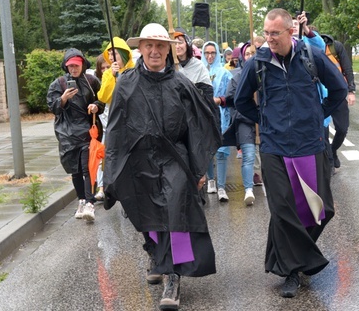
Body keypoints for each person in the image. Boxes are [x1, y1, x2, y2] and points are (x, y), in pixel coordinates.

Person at [102, 23, 221, 310]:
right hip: (138, 161)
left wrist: (198, 169)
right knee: (145, 212)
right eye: (149, 46)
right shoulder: (126, 84)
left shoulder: (182, 85)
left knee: (174, 211)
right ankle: (156, 255)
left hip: (174, 159)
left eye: (160, 46)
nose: (155, 51)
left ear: (168, 50)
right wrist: (111, 172)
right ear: (140, 49)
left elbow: (198, 127)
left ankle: (173, 277)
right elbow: (116, 131)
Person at [235, 8, 347, 298]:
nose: (268, 39)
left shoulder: (312, 57)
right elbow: (241, 101)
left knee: (321, 209)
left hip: (310, 143)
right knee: (283, 210)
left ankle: (284, 259)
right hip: (274, 146)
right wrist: (265, 120)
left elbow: (339, 88)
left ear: (290, 32)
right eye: (266, 33)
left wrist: (318, 115)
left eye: (274, 33)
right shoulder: (257, 62)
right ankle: (293, 270)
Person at [47, 49, 105, 222]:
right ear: (66, 66)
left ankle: (89, 203)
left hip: (88, 131)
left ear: (83, 65)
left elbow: (101, 99)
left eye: (76, 65)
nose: (73, 69)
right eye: (70, 66)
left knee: (88, 167)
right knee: (76, 170)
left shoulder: (92, 81)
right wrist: (63, 99)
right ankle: (81, 200)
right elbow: (53, 107)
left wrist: (95, 106)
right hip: (67, 133)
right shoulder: (58, 84)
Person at [96, 37, 135, 200]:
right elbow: (104, 96)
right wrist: (112, 76)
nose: (111, 57)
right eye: (109, 54)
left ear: (124, 54)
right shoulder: (107, 74)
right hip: (116, 122)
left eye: (115, 53)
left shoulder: (135, 70)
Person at [223, 44, 257, 206]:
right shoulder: (237, 77)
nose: (250, 56)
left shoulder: (267, 72)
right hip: (244, 121)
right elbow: (230, 99)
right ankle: (248, 189)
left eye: (253, 53)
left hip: (264, 121)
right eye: (247, 54)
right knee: (249, 156)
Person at [201, 41, 233, 201]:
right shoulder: (199, 71)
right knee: (207, 151)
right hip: (203, 116)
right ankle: (211, 180)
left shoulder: (224, 73)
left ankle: (221, 187)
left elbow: (231, 95)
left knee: (221, 152)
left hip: (220, 114)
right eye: (207, 53)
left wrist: (220, 100)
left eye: (213, 53)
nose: (210, 56)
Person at [321, 34, 356, 171]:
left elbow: (347, 68)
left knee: (342, 129)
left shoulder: (336, 47)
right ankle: (329, 162)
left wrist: (351, 91)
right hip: (320, 95)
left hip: (338, 92)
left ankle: (333, 149)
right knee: (322, 130)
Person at [94, 54, 111, 201]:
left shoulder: (115, 81)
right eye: (103, 68)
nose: (106, 70)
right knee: (101, 157)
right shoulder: (96, 83)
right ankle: (101, 188)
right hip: (102, 128)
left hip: (115, 126)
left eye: (108, 67)